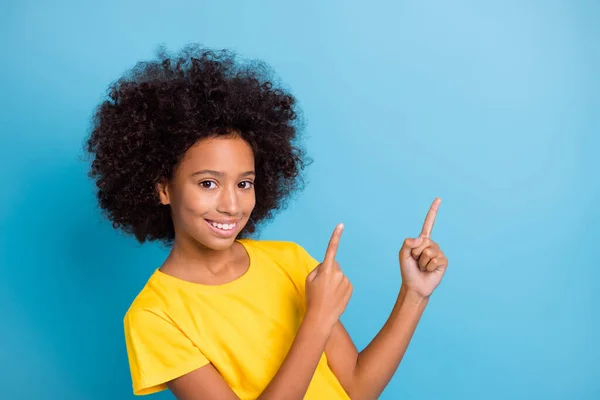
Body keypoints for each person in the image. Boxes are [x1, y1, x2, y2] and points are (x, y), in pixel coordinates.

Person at [85, 45, 448, 400]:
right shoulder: (154, 316)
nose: (230, 204)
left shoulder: (289, 261)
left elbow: (358, 388)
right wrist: (317, 320)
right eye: (208, 183)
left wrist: (414, 294)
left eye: (244, 183)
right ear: (164, 188)